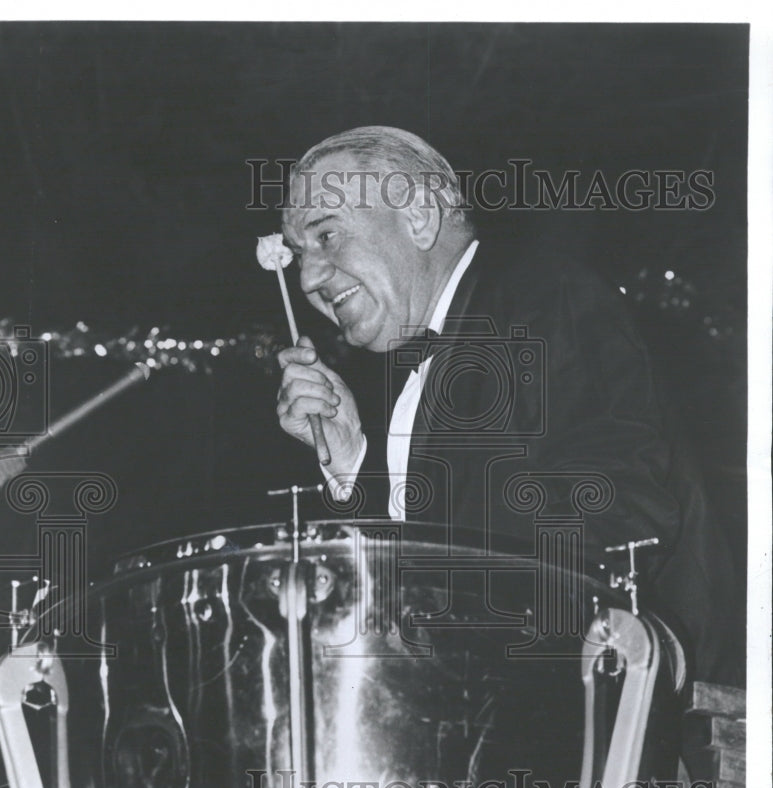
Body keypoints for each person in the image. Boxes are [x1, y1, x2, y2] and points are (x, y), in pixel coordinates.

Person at [276, 125, 734, 684]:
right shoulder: (437, 354)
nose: (308, 278)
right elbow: (425, 545)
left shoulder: (543, 300)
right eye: (298, 254)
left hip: (616, 737)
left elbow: (616, 516)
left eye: (326, 236)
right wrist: (353, 461)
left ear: (418, 215)